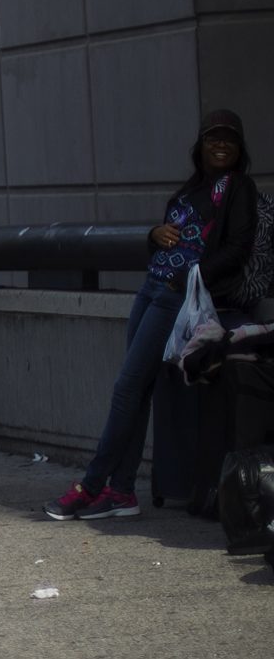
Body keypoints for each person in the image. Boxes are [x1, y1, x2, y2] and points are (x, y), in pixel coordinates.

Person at [45, 110, 260, 521]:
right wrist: (152, 236)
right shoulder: (194, 187)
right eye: (213, 138)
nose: (220, 145)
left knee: (126, 388)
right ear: (200, 146)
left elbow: (237, 249)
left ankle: (90, 486)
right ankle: (122, 492)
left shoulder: (238, 188)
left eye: (229, 140)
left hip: (175, 296)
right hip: (150, 289)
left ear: (239, 148)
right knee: (138, 391)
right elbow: (172, 232)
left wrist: (190, 276)